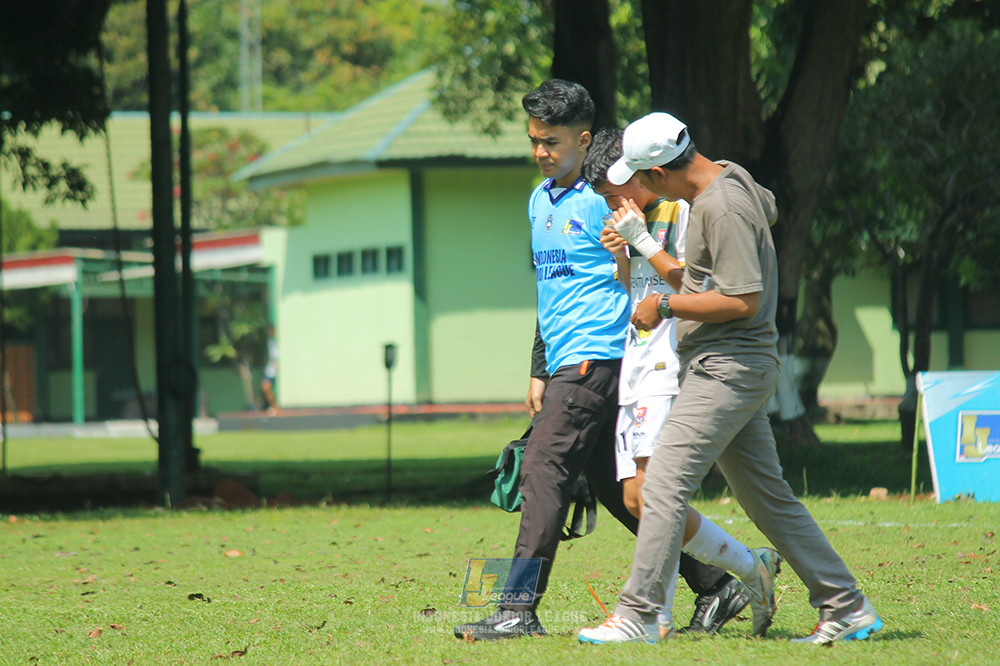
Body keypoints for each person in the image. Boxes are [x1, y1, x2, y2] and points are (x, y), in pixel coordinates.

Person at [577, 112, 883, 645]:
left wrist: (664, 306)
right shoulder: (721, 187)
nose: (641, 187)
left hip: (728, 368)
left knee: (663, 484)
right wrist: (646, 248)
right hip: (725, 364)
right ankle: (846, 605)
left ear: (661, 173)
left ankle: (641, 612)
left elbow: (741, 300)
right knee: (768, 499)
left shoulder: (721, 207)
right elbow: (700, 283)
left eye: (643, 177)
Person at [454, 82, 742, 641]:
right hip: (565, 361)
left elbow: (659, 271)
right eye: (534, 140)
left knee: (542, 471)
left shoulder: (610, 198)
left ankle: (516, 607)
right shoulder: (539, 200)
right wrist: (539, 365)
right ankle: (716, 583)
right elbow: (548, 290)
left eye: (553, 142)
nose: (541, 152)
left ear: (584, 140)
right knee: (617, 490)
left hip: (601, 356)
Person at [579, 128, 768, 638]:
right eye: (605, 198)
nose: (612, 204)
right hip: (636, 362)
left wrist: (641, 241)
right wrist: (623, 255)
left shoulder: (683, 210)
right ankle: (750, 568)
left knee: (654, 493)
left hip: (670, 363)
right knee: (640, 499)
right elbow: (637, 288)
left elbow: (696, 287)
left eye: (616, 193)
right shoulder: (631, 216)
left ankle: (651, 616)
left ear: (646, 174)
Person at [260, 324, 279, 416]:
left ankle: (275, 407)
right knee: (265, 388)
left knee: (267, 388)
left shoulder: (279, 342)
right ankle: (274, 407)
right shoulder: (270, 342)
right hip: (270, 370)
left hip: (275, 370)